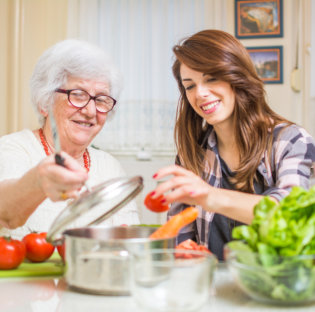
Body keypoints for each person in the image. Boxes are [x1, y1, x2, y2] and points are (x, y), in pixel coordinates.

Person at [150, 30, 315, 260]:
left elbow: (290, 215)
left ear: (237, 77)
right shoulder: (192, 153)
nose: (201, 93)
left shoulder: (291, 140)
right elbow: (181, 239)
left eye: (211, 78)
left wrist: (211, 197)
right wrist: (181, 253)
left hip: (273, 288)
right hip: (212, 289)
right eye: (190, 86)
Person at [0, 39, 139, 239]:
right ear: (45, 102)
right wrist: (38, 182)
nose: (91, 111)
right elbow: (6, 213)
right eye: (78, 95)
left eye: (101, 99)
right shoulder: (12, 149)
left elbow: (129, 239)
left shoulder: (110, 166)